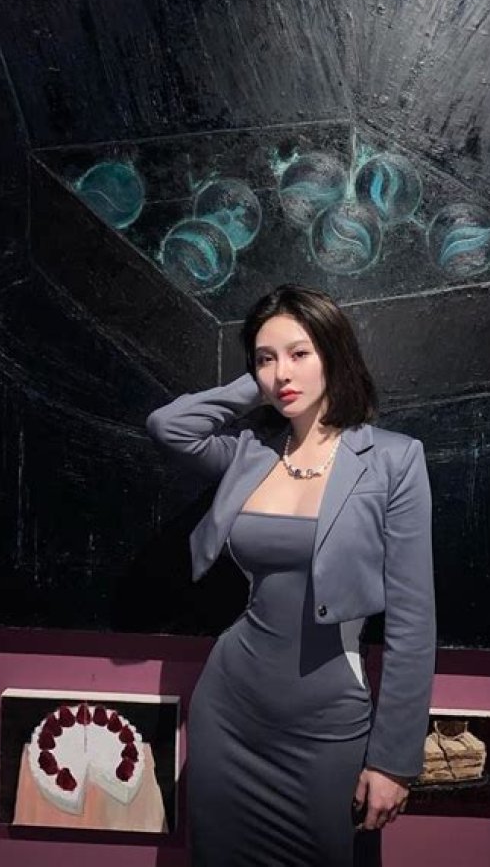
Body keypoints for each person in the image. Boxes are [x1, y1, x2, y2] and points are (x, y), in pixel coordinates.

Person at [146, 284, 435, 867]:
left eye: (300, 353)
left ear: (334, 354)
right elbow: (169, 426)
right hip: (231, 714)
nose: (282, 373)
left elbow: (413, 622)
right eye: (265, 358)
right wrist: (257, 383)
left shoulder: (393, 460)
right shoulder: (249, 453)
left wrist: (394, 760)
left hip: (328, 727)